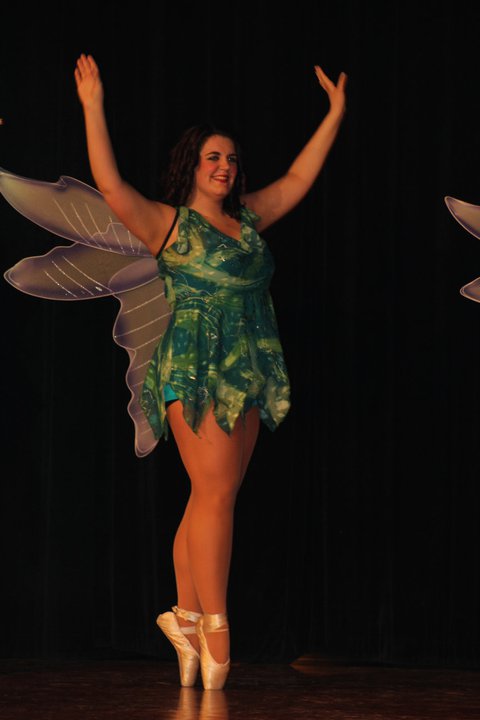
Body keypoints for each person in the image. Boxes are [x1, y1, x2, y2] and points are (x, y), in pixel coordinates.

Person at [74, 53, 346, 690]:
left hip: (247, 367)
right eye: (212, 157)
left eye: (231, 158)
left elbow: (299, 178)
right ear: (192, 166)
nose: (224, 166)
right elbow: (110, 185)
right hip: (194, 369)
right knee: (217, 494)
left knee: (210, 496)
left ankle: (184, 617)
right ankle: (216, 626)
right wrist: (92, 107)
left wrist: (335, 113)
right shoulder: (169, 224)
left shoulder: (247, 220)